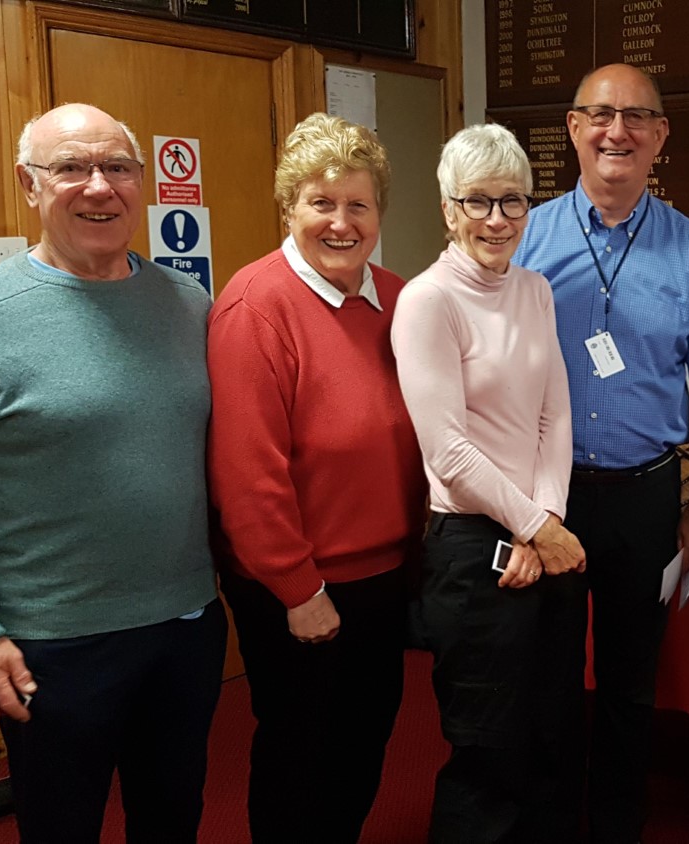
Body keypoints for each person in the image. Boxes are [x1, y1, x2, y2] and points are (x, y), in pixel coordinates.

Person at [0, 103, 226, 841]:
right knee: (61, 828)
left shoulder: (189, 304)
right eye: (71, 167)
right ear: (30, 184)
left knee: (174, 817)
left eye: (117, 167)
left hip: (185, 627)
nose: (99, 187)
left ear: (141, 183)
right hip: (48, 645)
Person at [513, 63, 689, 843]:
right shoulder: (525, 237)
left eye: (637, 117)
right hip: (546, 497)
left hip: (647, 497)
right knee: (542, 677)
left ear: (660, 137)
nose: (618, 131)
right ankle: (545, 822)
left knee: (628, 682)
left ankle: (616, 823)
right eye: (601, 115)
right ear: (573, 129)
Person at [207, 112, 426, 842]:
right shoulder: (255, 305)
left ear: (379, 214)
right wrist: (299, 591)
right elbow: (247, 474)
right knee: (300, 757)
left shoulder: (398, 300)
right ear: (289, 208)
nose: (340, 223)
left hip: (384, 575)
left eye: (357, 205)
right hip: (299, 587)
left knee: (365, 743)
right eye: (320, 204)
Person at [391, 122, 585, 843]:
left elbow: (554, 413)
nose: (498, 219)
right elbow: (447, 450)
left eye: (514, 201)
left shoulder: (534, 289)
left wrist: (544, 518)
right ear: (448, 209)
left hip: (541, 531)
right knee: (488, 749)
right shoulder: (427, 301)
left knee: (549, 732)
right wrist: (535, 529)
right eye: (478, 201)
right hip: (473, 552)